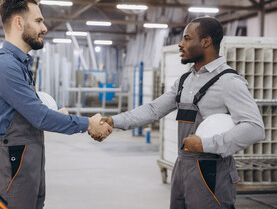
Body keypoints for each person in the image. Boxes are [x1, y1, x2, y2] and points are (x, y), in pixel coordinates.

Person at [101, 17, 265, 208]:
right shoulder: (185, 80)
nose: (180, 44)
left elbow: (255, 128)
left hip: (211, 171)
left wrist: (206, 144)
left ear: (206, 42)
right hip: (182, 166)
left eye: (187, 38)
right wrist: (114, 121)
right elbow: (154, 109)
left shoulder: (229, 82)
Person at [0, 0, 112, 209]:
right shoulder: (4, 66)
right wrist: (88, 123)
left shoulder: (18, 64)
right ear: (19, 23)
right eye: (39, 21)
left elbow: (29, 112)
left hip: (26, 165)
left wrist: (55, 115)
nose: (44, 28)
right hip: (12, 170)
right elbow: (39, 117)